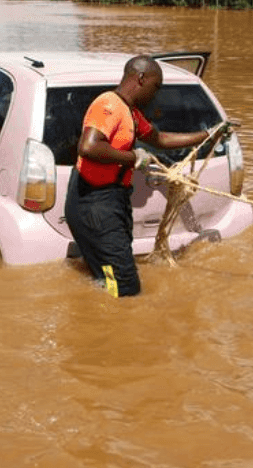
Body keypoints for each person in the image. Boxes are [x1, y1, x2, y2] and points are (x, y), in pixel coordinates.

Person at [65, 55, 219, 298]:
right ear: (140, 78)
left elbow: (160, 139)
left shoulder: (131, 113)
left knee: (108, 274)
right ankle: (115, 320)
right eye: (155, 87)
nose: (155, 95)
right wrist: (134, 158)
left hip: (110, 201)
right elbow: (89, 147)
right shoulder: (109, 104)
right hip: (94, 203)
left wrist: (208, 134)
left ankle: (100, 308)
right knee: (125, 286)